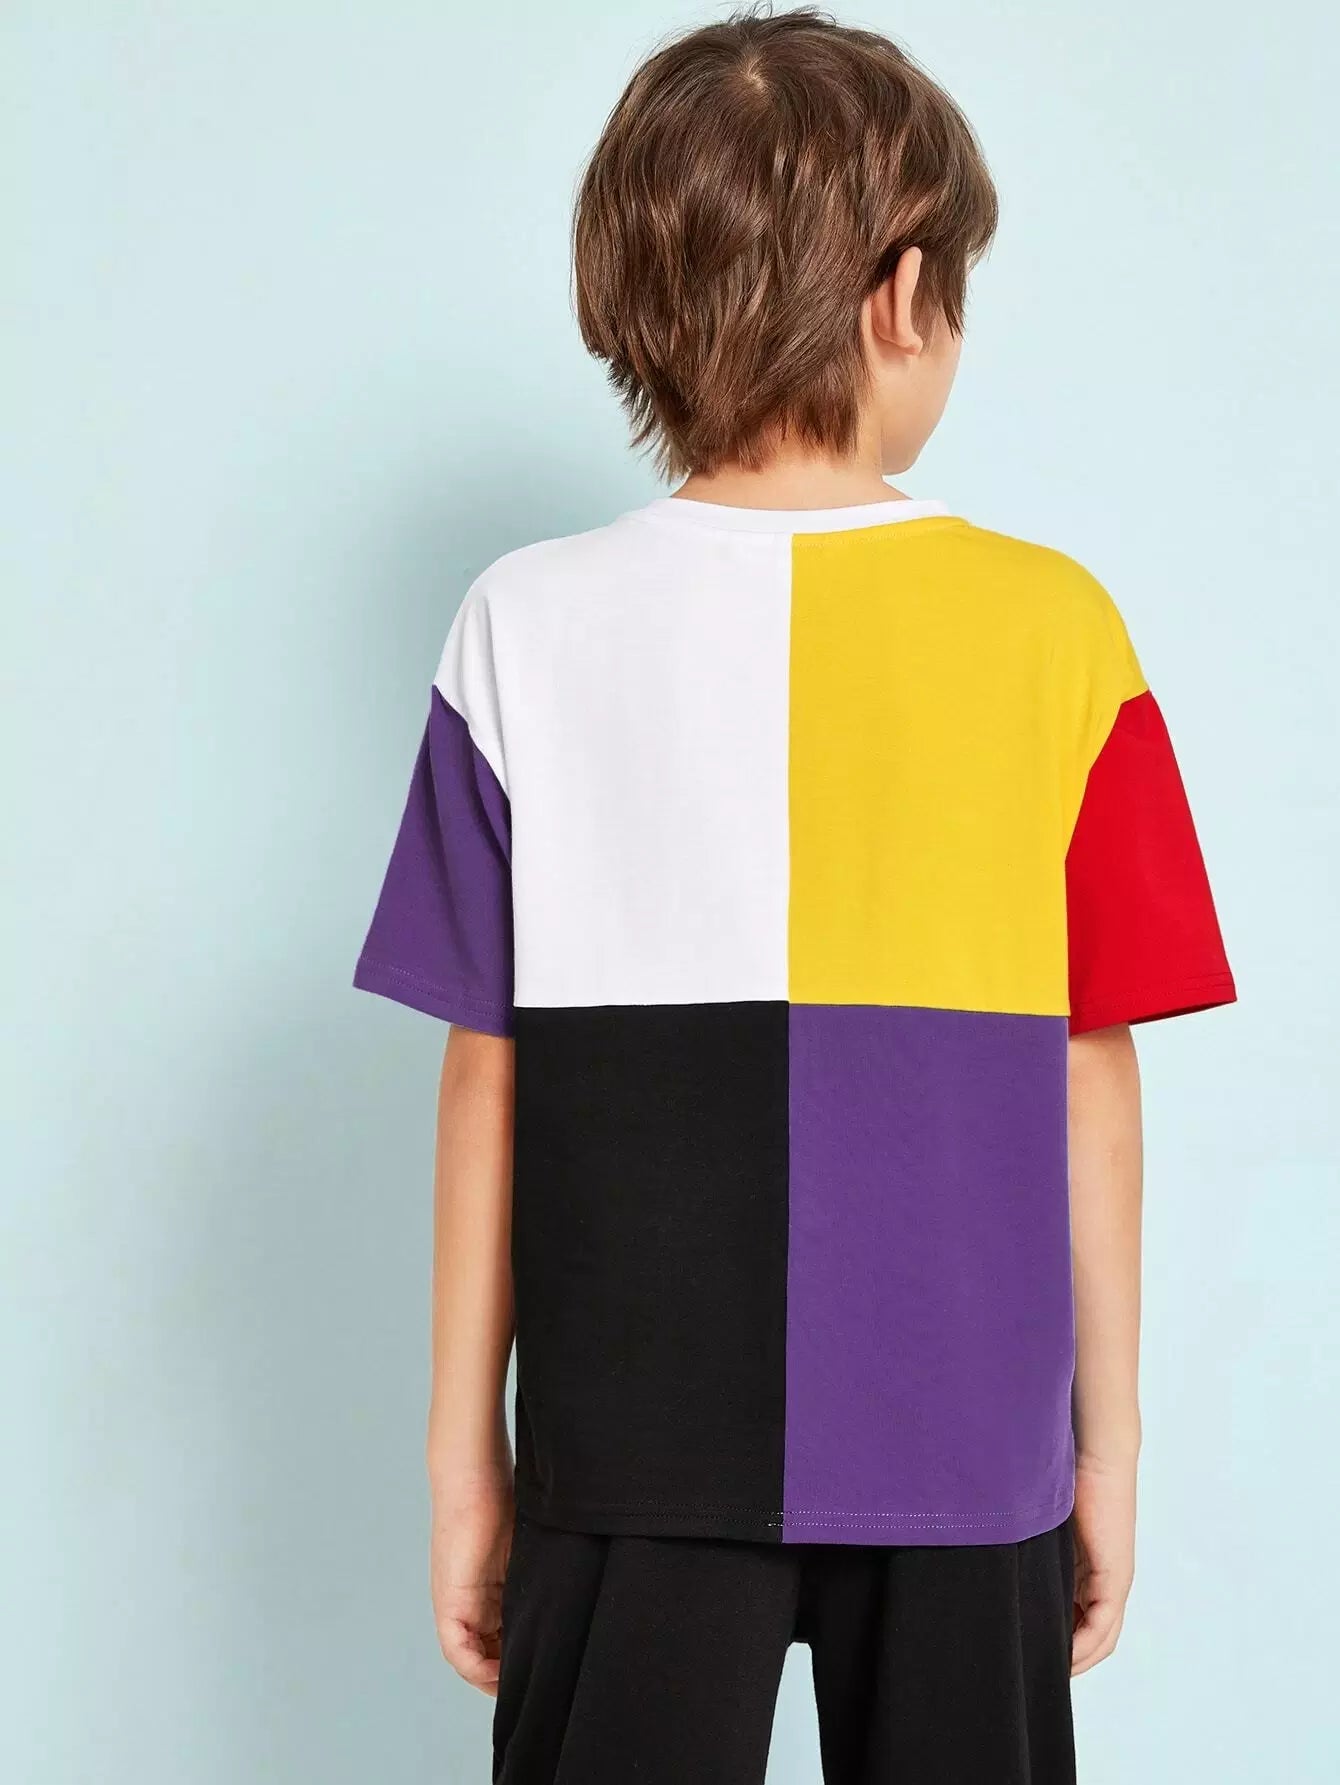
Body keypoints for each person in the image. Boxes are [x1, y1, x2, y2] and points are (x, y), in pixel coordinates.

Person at [354, 9, 1236, 1781]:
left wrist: (465, 1462)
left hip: (629, 1430)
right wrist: (1109, 1444)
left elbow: (485, 1074)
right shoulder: (1061, 628)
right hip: (968, 1428)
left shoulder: (518, 624)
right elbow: (1093, 1072)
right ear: (908, 299)